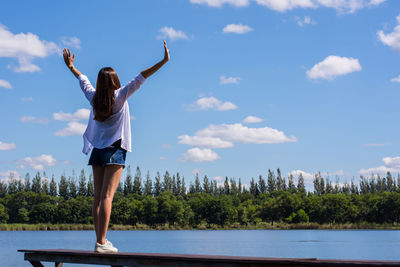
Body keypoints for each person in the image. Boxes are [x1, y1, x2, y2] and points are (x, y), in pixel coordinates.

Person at [63, 41, 170, 253]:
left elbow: (82, 80)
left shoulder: (94, 98)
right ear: (115, 82)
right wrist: (164, 61)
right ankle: (101, 243)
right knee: (107, 197)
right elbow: (142, 76)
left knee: (97, 198)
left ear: (100, 84)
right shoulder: (120, 96)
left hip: (97, 152)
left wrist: (71, 66)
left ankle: (99, 240)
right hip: (114, 151)